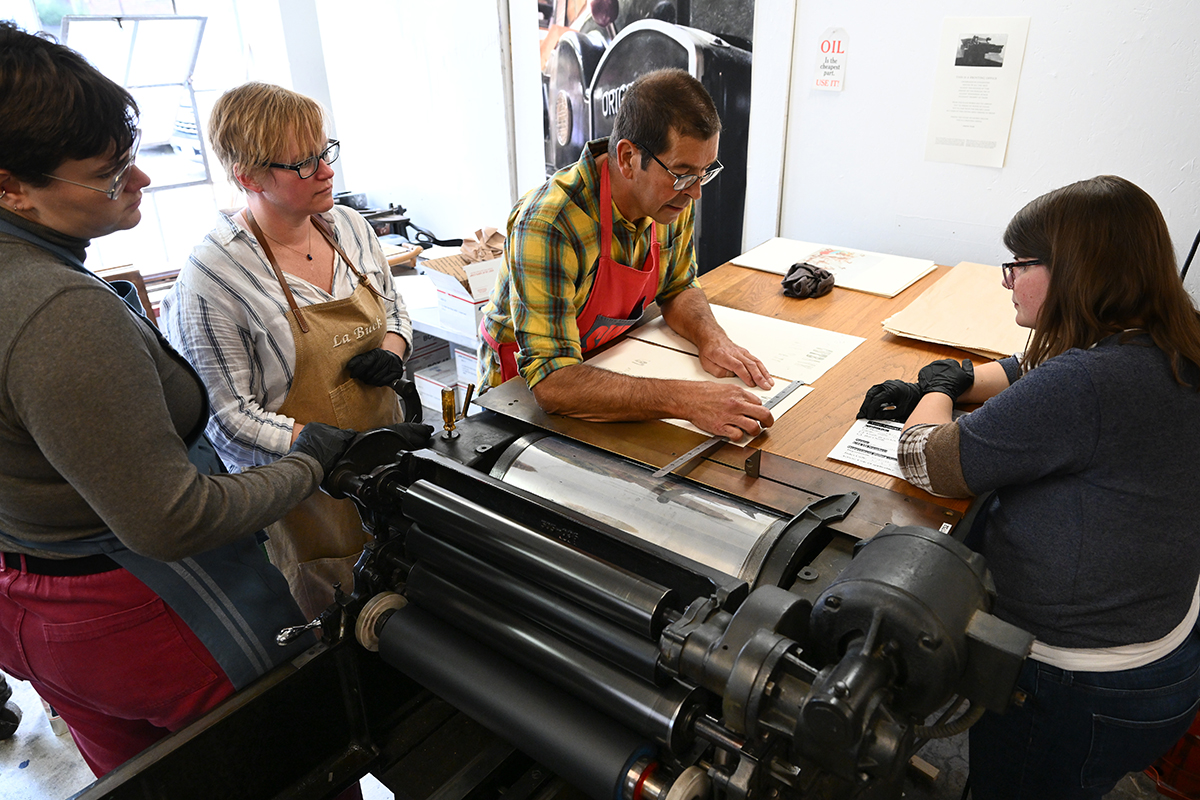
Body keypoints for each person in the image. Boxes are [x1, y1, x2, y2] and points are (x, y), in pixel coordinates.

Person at [0, 23, 363, 777]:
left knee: (163, 782)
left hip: (36, 597)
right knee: (299, 760)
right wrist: (309, 461)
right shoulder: (56, 312)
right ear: (11, 187)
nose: (140, 182)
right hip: (146, 606)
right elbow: (174, 518)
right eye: (108, 172)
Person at [859, 176, 1200, 798]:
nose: (1008, 279)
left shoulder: (1090, 385)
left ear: (1074, 269)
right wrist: (962, 377)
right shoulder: (1169, 336)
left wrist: (932, 393)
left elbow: (925, 457)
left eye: (1019, 265)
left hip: (1074, 689)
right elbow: (1029, 368)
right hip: (1159, 654)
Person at [162, 83, 429, 621]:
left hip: (386, 457)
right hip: (302, 493)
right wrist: (319, 446)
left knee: (413, 590)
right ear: (248, 176)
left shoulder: (348, 228)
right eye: (303, 164)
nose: (326, 171)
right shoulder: (214, 277)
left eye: (324, 152)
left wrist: (395, 352)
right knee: (346, 619)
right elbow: (227, 418)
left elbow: (394, 308)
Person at [479, 68, 775, 441]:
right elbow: (552, 381)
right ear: (627, 158)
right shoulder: (551, 222)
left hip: (602, 362)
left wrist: (712, 338)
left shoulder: (672, 200)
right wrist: (687, 400)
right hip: (519, 398)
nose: (696, 192)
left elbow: (679, 286)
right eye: (683, 173)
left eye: (704, 173)